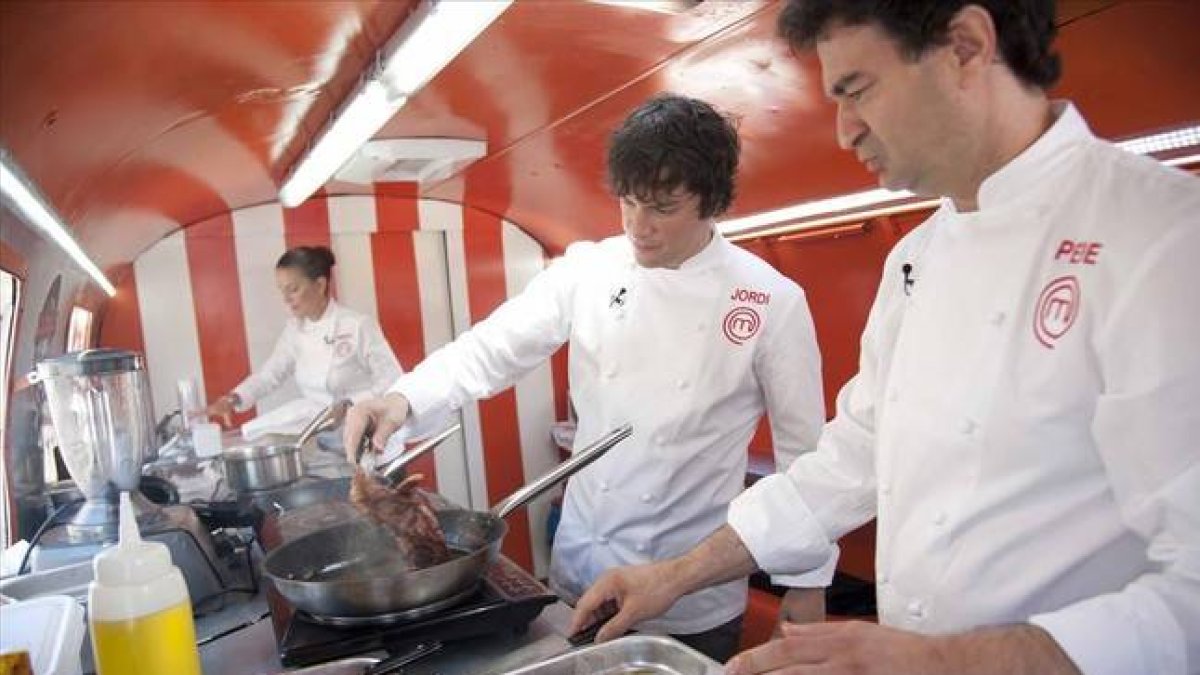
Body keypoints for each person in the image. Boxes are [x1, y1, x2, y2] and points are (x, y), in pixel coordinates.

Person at [571, 2, 1200, 674]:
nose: (844, 132)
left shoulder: (1163, 239)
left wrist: (944, 661)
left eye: (856, 90)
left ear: (965, 46)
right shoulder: (917, 258)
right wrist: (674, 574)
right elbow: (850, 458)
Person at [345, 94, 831, 662]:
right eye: (627, 203)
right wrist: (402, 399)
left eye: (662, 208)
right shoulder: (589, 268)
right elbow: (490, 348)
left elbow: (806, 457)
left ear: (713, 201)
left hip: (688, 592)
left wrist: (808, 583)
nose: (638, 227)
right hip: (581, 565)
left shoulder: (771, 300)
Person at [207, 245, 402, 443]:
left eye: (293, 289)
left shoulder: (357, 325)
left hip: (370, 435)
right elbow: (270, 374)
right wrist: (233, 399)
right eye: (282, 291)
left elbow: (393, 379)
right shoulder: (294, 330)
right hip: (321, 435)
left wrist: (350, 404)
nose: (286, 299)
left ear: (320, 285)